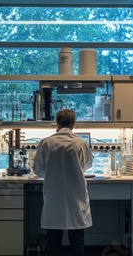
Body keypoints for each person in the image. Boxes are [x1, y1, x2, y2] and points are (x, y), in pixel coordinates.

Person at [33, 109, 93, 256]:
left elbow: (38, 170)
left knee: (53, 237)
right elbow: (87, 165)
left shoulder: (46, 142)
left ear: (57, 123)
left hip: (54, 198)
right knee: (77, 237)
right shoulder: (81, 143)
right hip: (75, 198)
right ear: (74, 124)